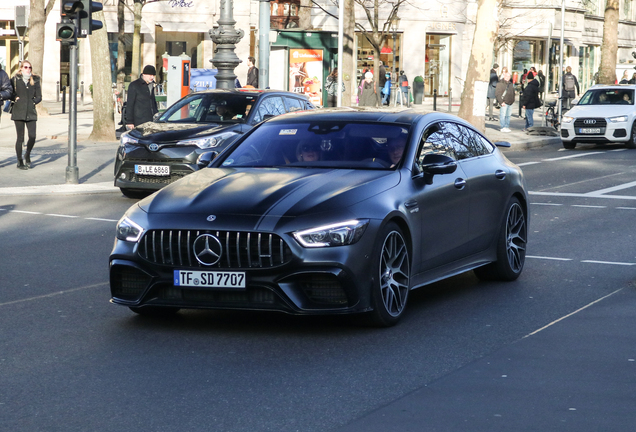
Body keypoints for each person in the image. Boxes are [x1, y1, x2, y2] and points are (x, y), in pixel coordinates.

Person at [11, 61, 42, 170]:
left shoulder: (35, 80)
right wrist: (14, 98)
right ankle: (19, 161)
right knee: (20, 138)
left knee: (32, 136)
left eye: (30, 67)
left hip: (31, 112)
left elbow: (39, 96)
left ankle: (27, 154)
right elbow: (9, 91)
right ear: (21, 68)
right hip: (18, 111)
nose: (28, 69)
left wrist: (33, 102)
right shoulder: (15, 79)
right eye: (25, 67)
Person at [125, 65, 158, 129]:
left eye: (153, 75)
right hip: (139, 120)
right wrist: (130, 121)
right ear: (144, 75)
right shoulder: (134, 85)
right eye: (150, 75)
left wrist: (156, 114)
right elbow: (130, 104)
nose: (152, 77)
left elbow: (153, 102)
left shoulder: (151, 85)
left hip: (151, 120)